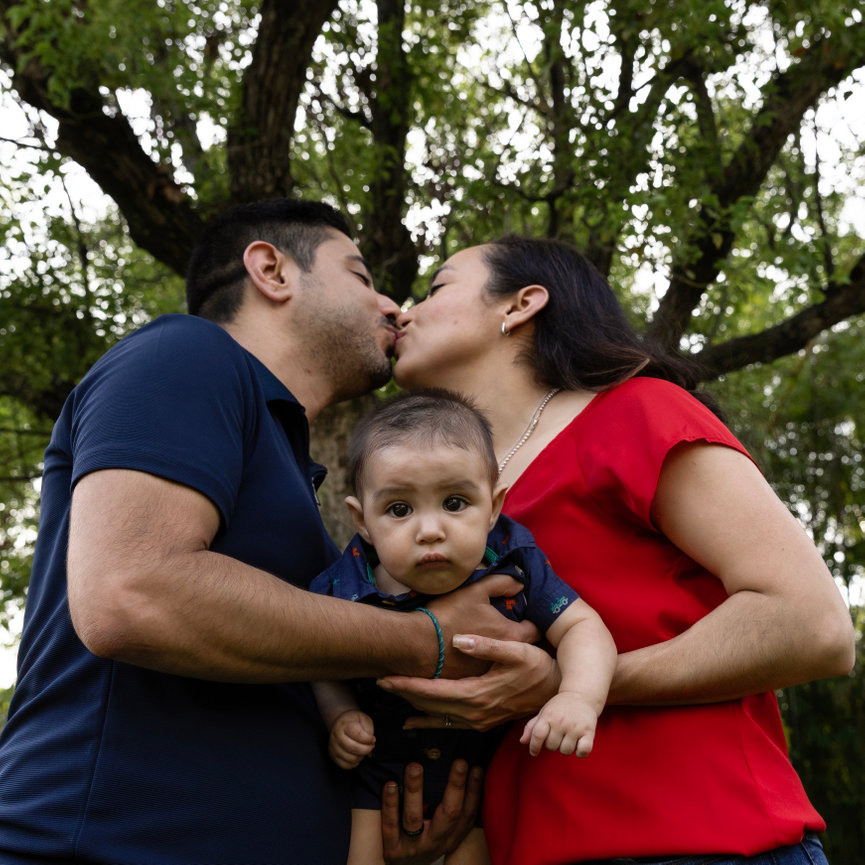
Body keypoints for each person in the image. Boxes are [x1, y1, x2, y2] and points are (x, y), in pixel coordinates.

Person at [0, 200, 536, 865]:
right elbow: (129, 591)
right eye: (362, 275)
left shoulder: (285, 468)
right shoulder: (184, 353)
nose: (392, 305)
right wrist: (424, 639)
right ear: (271, 269)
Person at [381, 235, 857, 865]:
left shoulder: (636, 412)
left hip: (706, 838)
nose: (402, 311)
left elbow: (813, 626)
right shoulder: (442, 511)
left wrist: (572, 684)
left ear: (521, 305)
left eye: (437, 288)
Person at [311, 389, 616, 865]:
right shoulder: (342, 586)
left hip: (479, 781)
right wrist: (339, 715)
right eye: (399, 509)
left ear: (493, 506)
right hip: (376, 777)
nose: (430, 529)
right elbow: (316, 658)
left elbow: (581, 626)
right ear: (362, 520)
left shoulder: (515, 564)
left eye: (455, 502)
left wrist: (578, 696)